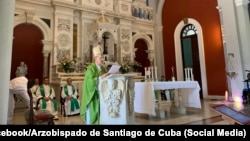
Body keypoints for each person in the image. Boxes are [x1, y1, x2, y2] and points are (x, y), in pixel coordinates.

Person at [80, 44, 110, 125]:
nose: (102, 59)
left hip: (102, 95)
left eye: (102, 58)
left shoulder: (103, 68)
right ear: (95, 58)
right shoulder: (91, 68)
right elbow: (89, 82)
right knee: (92, 116)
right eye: (101, 58)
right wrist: (100, 77)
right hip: (92, 95)